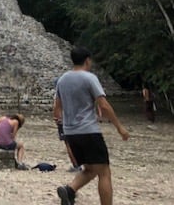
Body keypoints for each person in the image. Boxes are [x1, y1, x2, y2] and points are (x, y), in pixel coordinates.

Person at [54, 47, 130, 205]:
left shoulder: (62, 80)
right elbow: (104, 104)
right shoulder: (89, 78)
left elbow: (57, 109)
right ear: (87, 60)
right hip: (88, 131)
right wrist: (119, 127)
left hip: (71, 132)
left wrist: (64, 129)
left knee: (90, 169)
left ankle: (69, 190)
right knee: (104, 172)